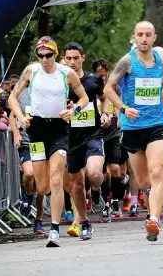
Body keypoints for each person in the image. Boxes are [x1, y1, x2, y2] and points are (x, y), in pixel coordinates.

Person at [8, 36, 88, 247]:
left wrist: (74, 110)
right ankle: (69, 207)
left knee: (56, 179)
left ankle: (54, 229)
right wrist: (21, 117)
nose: (44, 59)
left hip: (59, 129)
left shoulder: (66, 73)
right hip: (36, 129)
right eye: (40, 55)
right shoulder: (31, 71)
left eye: (48, 55)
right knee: (42, 186)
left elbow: (84, 98)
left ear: (55, 54)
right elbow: (12, 98)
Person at [105, 21, 163, 241]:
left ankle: (154, 219)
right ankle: (156, 210)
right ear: (134, 37)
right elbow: (108, 88)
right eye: (140, 35)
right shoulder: (127, 61)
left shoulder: (162, 59)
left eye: (148, 35)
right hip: (133, 126)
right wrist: (124, 108)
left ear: (154, 37)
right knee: (145, 181)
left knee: (157, 172)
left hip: (158, 124)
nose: (144, 39)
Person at [62, 42, 111, 239]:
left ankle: (97, 190)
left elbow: (104, 98)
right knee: (77, 185)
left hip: (93, 134)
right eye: (69, 58)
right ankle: (84, 222)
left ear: (83, 58)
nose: (72, 62)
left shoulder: (94, 80)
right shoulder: (60, 84)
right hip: (71, 138)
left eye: (76, 58)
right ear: (64, 60)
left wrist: (106, 113)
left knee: (94, 173)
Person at [8, 71, 46, 235]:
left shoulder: (48, 93)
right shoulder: (21, 94)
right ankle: (27, 194)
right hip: (26, 141)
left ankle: (38, 220)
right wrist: (16, 133)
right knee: (29, 174)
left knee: (42, 185)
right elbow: (11, 116)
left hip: (43, 143)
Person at [92, 58, 128, 217]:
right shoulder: (90, 87)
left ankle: (116, 199)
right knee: (102, 172)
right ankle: (107, 202)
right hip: (97, 133)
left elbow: (120, 105)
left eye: (106, 75)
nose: (104, 78)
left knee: (115, 170)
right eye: (100, 76)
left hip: (113, 132)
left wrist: (120, 119)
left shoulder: (116, 88)